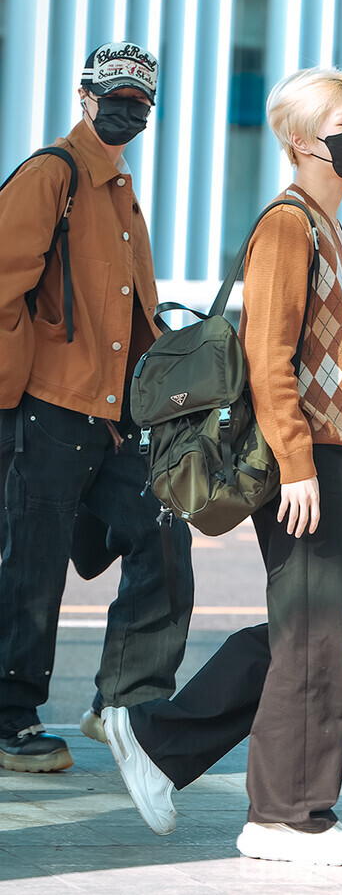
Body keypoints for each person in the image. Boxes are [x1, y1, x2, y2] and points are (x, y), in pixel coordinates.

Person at [101, 67, 342, 866]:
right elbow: (268, 357)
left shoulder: (328, 231)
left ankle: (157, 739)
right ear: (305, 142)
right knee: (313, 641)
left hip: (318, 461)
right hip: (295, 464)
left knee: (300, 632)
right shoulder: (287, 225)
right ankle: (287, 817)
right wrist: (298, 467)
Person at [0, 42, 194, 773]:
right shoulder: (55, 174)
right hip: (45, 409)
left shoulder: (120, 192)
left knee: (163, 537)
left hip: (113, 419)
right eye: (114, 96)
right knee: (32, 570)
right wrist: (11, 397)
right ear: (85, 96)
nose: (127, 110)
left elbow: (133, 314)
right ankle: (10, 721)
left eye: (139, 102)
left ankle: (126, 703)